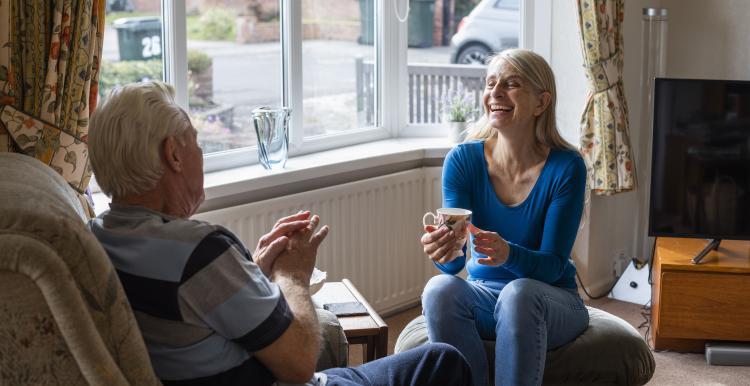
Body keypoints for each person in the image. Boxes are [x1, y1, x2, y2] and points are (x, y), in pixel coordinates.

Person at [87, 80, 473, 386]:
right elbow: (299, 363)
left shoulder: (96, 236)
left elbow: (190, 315)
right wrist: (293, 276)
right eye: (197, 144)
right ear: (173, 154)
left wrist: (250, 269)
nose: (200, 156)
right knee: (442, 361)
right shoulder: (199, 250)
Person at [419, 48, 589, 386]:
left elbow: (554, 265)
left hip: (552, 300)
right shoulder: (463, 161)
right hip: (485, 295)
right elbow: (456, 266)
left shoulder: (566, 166)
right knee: (439, 289)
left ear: (541, 103)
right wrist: (444, 252)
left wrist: (508, 253)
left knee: (519, 293)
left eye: (511, 84)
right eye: (491, 83)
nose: (495, 93)